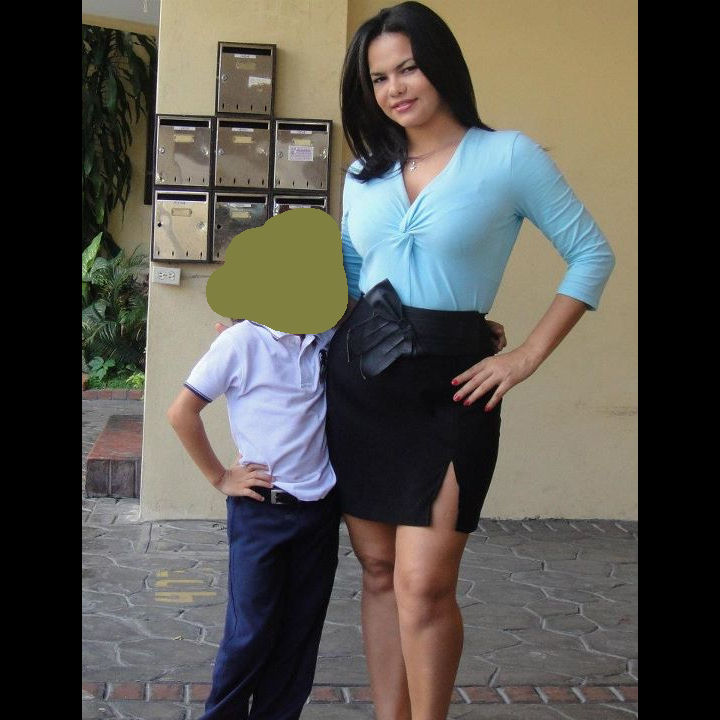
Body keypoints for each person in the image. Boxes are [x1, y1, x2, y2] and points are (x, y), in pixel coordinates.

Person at [324, 2, 616, 719]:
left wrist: (524, 357)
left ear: (441, 64)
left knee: (424, 584)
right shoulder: (362, 173)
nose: (394, 88)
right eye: (379, 77)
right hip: (361, 386)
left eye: (408, 68)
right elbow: (351, 281)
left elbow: (591, 255)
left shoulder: (508, 156)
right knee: (380, 572)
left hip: (451, 389)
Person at [167, 319, 339, 720]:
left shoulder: (326, 339)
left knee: (299, 636)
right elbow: (181, 413)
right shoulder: (241, 342)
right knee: (250, 632)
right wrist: (219, 477)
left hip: (318, 513)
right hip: (261, 512)